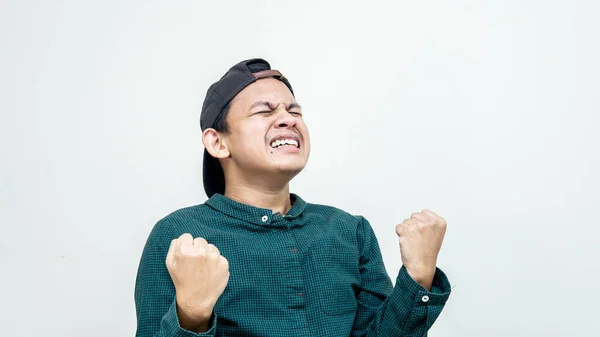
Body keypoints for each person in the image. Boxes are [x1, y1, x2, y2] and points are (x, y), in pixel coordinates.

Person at [134, 58, 451, 337]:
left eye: (294, 110)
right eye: (264, 111)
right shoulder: (178, 237)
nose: (288, 119)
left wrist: (419, 277)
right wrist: (191, 314)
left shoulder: (349, 232)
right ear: (217, 143)